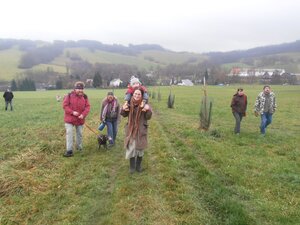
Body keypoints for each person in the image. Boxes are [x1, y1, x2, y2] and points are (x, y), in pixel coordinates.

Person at [120, 88, 152, 174]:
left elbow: (148, 117)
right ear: (132, 94)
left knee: (140, 149)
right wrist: (123, 108)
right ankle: (132, 167)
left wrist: (148, 109)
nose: (136, 96)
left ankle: (138, 166)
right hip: (131, 129)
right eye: (135, 94)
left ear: (142, 96)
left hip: (141, 129)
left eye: (139, 94)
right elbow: (123, 114)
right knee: (131, 148)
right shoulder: (129, 104)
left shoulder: (144, 104)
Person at [62, 81, 90, 157]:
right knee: (69, 133)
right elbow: (65, 106)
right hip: (69, 119)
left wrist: (83, 115)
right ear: (75, 89)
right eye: (78, 89)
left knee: (79, 134)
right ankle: (69, 150)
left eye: (81, 89)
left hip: (80, 119)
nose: (80, 90)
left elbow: (87, 107)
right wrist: (72, 112)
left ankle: (79, 147)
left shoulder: (85, 97)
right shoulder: (69, 95)